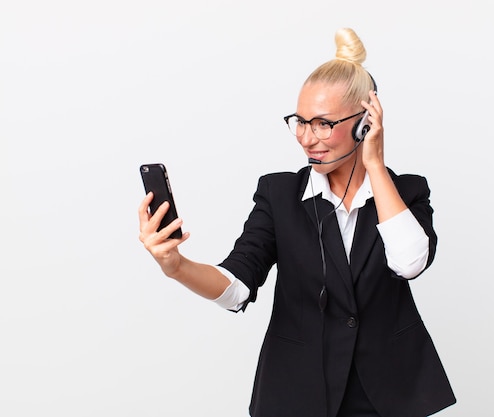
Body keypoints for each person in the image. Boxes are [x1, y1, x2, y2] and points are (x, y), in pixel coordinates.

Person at [138, 27, 455, 417]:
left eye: (323, 123)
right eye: (300, 121)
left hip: (386, 396)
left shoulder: (406, 192)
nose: (307, 138)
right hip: (296, 393)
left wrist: (374, 163)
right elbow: (237, 287)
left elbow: (409, 263)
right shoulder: (279, 195)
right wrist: (176, 266)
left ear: (365, 122)